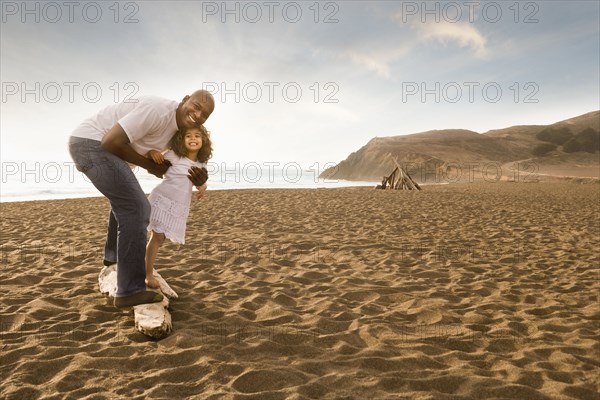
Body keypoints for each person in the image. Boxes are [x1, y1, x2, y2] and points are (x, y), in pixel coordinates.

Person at [68, 90, 214, 308]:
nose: (198, 114)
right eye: (196, 105)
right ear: (184, 100)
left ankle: (113, 259)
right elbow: (111, 141)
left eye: (205, 114)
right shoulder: (157, 110)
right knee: (137, 207)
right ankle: (129, 290)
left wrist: (201, 177)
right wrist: (150, 167)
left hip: (99, 148)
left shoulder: (176, 131)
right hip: (91, 144)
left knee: (126, 201)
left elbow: (175, 162)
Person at [145, 126, 213, 289]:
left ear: (203, 141)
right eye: (188, 136)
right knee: (157, 237)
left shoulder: (201, 163)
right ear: (181, 140)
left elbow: (201, 181)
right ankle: (147, 274)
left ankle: (145, 267)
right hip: (161, 199)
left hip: (178, 205)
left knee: (159, 238)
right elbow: (154, 160)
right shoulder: (174, 155)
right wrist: (151, 153)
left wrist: (202, 189)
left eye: (197, 136)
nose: (193, 138)